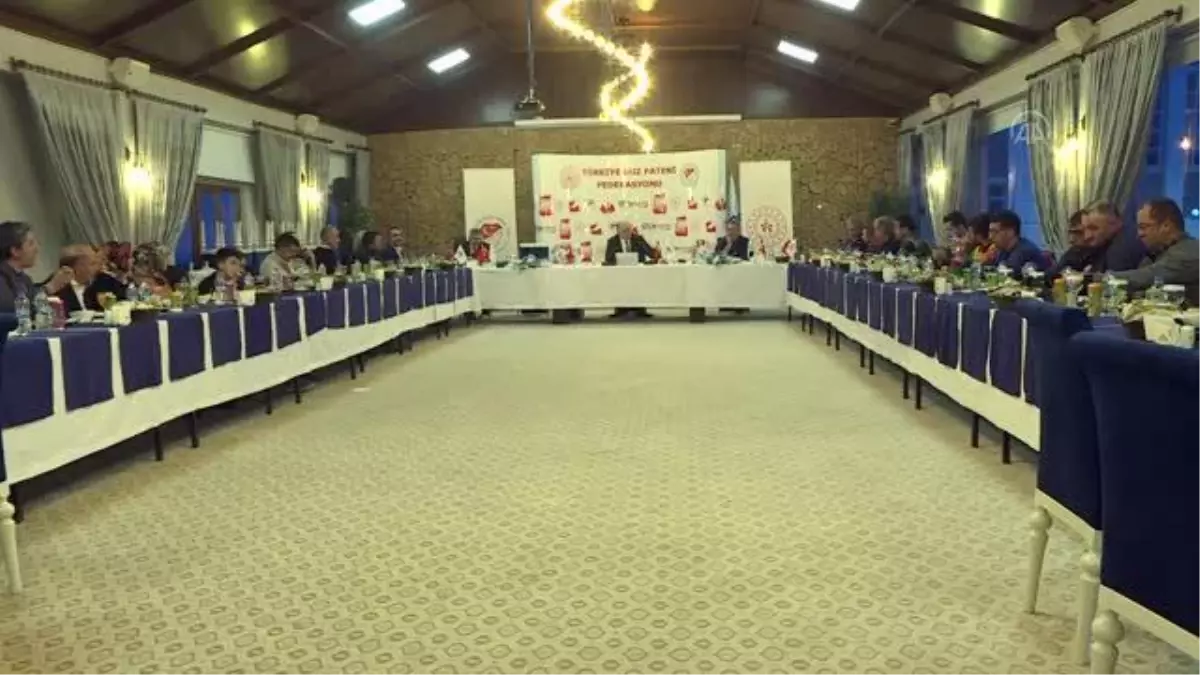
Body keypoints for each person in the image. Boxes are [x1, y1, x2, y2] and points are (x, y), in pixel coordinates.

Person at [1113, 198, 1200, 305]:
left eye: (1143, 227)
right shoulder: (1156, 254)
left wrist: (1100, 278)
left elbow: (1147, 277)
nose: (1139, 234)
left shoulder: (1189, 253)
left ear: (1166, 226)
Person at [0, 221, 71, 313]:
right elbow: (13, 310)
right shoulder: (2, 278)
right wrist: (49, 288)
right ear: (15, 251)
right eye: (31, 243)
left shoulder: (24, 279)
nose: (37, 248)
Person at [1079, 200, 1145, 274]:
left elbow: (1114, 280)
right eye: (1084, 229)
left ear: (1114, 223)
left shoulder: (1120, 249)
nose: (1087, 236)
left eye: (1094, 228)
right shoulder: (1107, 241)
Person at [604, 222, 653, 319]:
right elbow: (608, 258)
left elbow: (650, 253)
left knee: (639, 282)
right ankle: (621, 309)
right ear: (618, 231)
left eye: (629, 231)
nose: (627, 233)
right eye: (624, 231)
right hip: (619, 273)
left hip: (638, 272)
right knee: (619, 283)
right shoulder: (612, 241)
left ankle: (640, 309)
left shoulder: (638, 239)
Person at [50, 244, 118, 313]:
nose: (98, 268)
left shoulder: (95, 283)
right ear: (78, 267)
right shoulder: (55, 286)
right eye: (92, 264)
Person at [1051, 210, 1092, 275]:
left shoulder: (1102, 254)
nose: (1071, 240)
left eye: (1078, 232)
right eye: (1070, 232)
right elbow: (1055, 272)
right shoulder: (1073, 253)